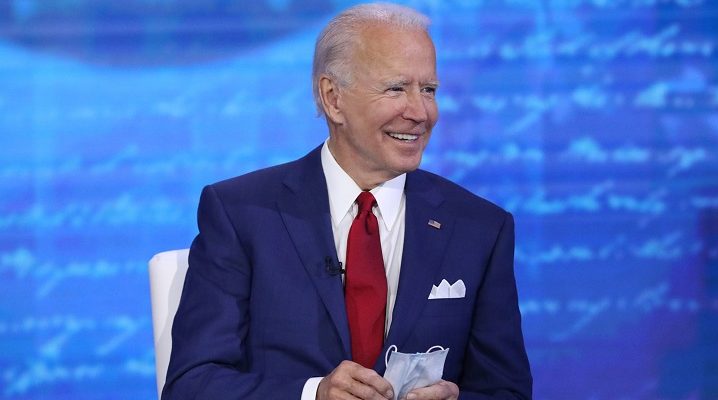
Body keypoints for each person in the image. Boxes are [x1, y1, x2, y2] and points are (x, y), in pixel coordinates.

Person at [162, 3, 532, 399]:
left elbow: (506, 391)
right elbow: (192, 384)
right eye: (396, 88)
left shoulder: (480, 228)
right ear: (333, 98)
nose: (420, 112)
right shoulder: (240, 214)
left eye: (428, 90)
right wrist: (312, 395)